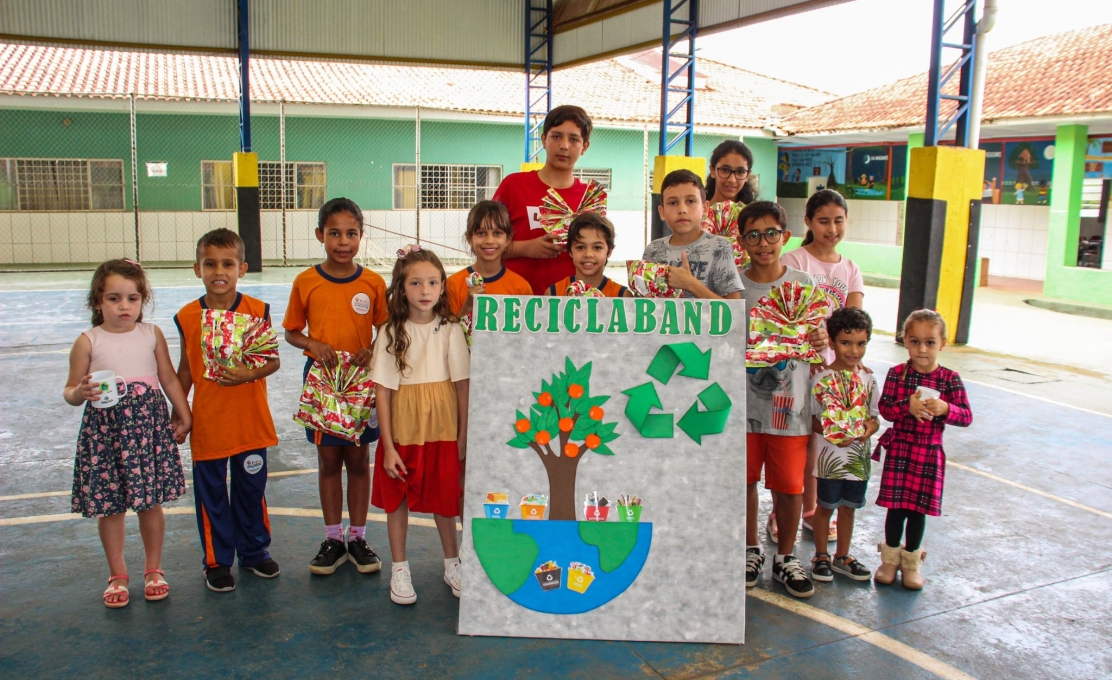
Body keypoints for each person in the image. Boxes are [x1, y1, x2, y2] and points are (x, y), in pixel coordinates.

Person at [64, 259, 191, 608]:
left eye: (133, 299)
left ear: (142, 301)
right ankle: (117, 574)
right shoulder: (88, 341)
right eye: (114, 298)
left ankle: (154, 569)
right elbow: (70, 390)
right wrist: (80, 393)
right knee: (111, 506)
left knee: (150, 502)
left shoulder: (151, 334)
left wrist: (185, 413)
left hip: (147, 430)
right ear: (97, 302)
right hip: (107, 434)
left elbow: (168, 378)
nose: (124, 306)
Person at [172, 229, 281, 592]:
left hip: (249, 423)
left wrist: (250, 373)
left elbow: (272, 361)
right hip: (209, 425)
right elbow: (186, 368)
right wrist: (179, 410)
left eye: (228, 264)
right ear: (197, 268)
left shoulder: (256, 310)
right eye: (210, 263)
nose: (219, 271)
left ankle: (254, 552)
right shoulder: (187, 316)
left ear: (242, 268)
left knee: (251, 490)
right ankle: (217, 562)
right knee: (212, 496)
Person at [284, 198, 388, 576]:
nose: (343, 242)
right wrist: (312, 344)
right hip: (322, 384)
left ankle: (358, 537)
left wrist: (372, 350)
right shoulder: (306, 281)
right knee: (328, 461)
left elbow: (387, 328)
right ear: (319, 236)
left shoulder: (373, 282)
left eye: (351, 233)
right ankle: (332, 539)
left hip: (362, 384)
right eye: (334, 234)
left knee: (359, 461)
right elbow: (292, 332)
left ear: (361, 236)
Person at [737, 201, 829, 599]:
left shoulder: (805, 286)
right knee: (743, 482)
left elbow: (820, 346)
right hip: (741, 407)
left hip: (791, 408)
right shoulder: (733, 288)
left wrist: (820, 341)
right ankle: (750, 550)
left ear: (785, 237)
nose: (763, 242)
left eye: (771, 233)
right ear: (741, 242)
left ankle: (786, 556)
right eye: (753, 235)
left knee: (790, 488)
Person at [371, 246, 470, 605]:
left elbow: (462, 385)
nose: (425, 290)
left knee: (446, 498)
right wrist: (389, 445)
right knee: (397, 497)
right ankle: (400, 567)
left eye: (432, 282)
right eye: (415, 283)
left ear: (443, 286)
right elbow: (382, 391)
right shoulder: (389, 331)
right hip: (403, 425)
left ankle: (452, 562)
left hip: (443, 424)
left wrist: (462, 435)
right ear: (402, 287)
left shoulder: (450, 329)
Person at [782, 189, 866, 542]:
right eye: (823, 221)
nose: (831, 228)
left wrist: (845, 366)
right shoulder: (795, 261)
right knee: (796, 441)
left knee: (824, 441)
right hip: (798, 366)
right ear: (808, 222)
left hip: (834, 373)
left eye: (838, 221)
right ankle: (784, 512)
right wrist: (812, 353)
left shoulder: (850, 269)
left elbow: (856, 320)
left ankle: (815, 513)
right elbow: (785, 312)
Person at [873, 310, 972, 590]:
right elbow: (885, 410)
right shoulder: (896, 374)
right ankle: (890, 559)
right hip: (901, 449)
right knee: (896, 506)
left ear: (943, 343)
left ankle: (911, 563)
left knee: (918, 510)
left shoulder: (950, 379)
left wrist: (946, 409)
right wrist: (907, 406)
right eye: (915, 341)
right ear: (905, 341)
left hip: (929, 453)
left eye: (930, 342)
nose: (922, 349)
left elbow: (966, 416)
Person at [808, 307, 879, 584]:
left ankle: (843, 556)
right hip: (830, 459)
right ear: (833, 342)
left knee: (849, 508)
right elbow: (811, 420)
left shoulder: (869, 379)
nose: (854, 350)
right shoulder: (821, 379)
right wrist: (833, 431)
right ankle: (822, 555)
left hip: (858, 460)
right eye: (846, 342)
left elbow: (874, 419)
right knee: (825, 507)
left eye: (861, 343)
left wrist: (866, 431)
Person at [495, 105, 594, 294]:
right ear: (543, 140)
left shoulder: (589, 198)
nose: (564, 145)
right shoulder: (513, 186)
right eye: (556, 136)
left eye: (574, 139)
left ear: (585, 147)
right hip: (514, 302)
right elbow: (484, 244)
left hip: (569, 305)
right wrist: (526, 248)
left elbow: (598, 255)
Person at [641, 169, 744, 300]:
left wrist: (690, 284)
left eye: (690, 201)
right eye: (673, 203)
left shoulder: (719, 247)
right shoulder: (653, 250)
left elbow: (734, 308)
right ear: (662, 212)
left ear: (705, 208)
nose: (682, 210)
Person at [446, 200, 532, 318]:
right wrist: (467, 308)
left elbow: (527, 334)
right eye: (481, 233)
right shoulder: (453, 284)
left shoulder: (521, 287)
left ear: (508, 239)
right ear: (469, 238)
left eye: (497, 233)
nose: (489, 241)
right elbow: (448, 333)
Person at [546, 213, 632, 297]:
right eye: (580, 247)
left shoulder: (622, 296)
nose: (588, 254)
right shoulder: (553, 294)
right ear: (570, 251)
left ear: (609, 252)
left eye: (597, 247)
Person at [705, 140, 758, 206]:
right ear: (712, 171)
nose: (732, 180)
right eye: (725, 170)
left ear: (747, 176)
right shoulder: (697, 212)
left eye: (740, 172)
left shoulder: (754, 215)